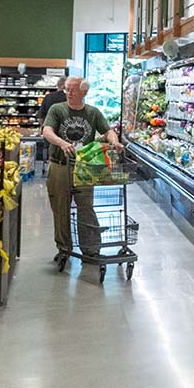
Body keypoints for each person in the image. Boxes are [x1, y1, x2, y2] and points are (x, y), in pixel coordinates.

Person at [42, 77, 124, 262]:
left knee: (86, 208)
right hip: (60, 165)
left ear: (84, 92)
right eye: (67, 89)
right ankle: (64, 248)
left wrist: (115, 141)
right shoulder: (57, 109)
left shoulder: (93, 112)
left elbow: (107, 130)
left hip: (84, 168)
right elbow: (47, 131)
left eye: (73, 89)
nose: (69, 93)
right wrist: (62, 143)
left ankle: (91, 250)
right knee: (60, 208)